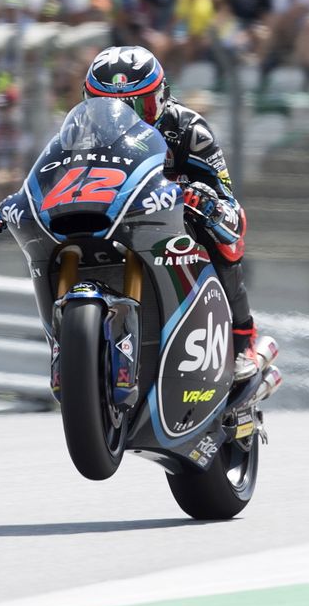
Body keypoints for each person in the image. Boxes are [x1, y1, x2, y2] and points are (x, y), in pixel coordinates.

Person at [71, 46, 266, 381]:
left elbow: (230, 209)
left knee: (223, 236)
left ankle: (242, 337)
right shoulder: (79, 131)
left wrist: (205, 201)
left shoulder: (190, 130)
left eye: (137, 106)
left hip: (171, 223)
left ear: (161, 99)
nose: (123, 118)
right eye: (109, 107)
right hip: (108, 216)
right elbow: (54, 175)